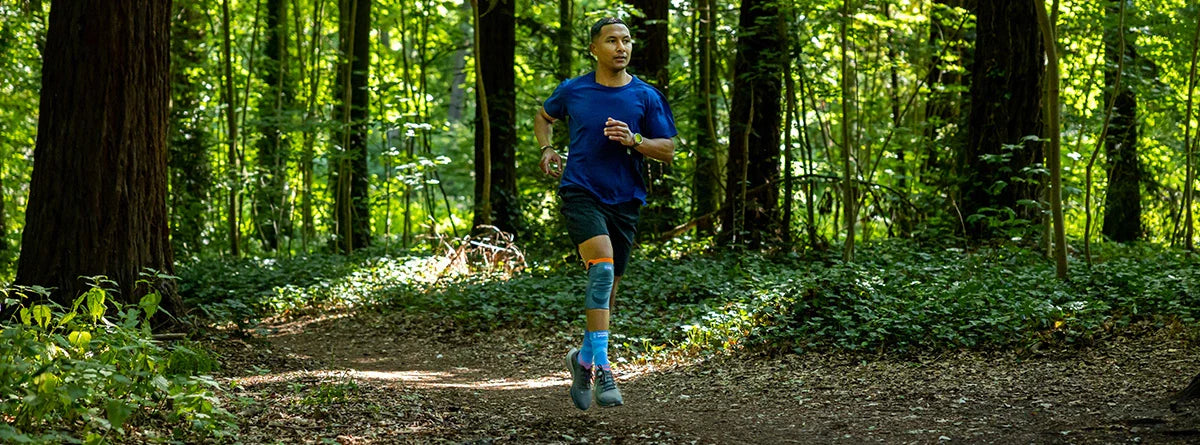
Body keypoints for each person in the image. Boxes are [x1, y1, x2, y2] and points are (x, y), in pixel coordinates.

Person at [533, 16, 677, 410]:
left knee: (608, 293)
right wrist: (547, 148)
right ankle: (603, 367)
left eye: (626, 40)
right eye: (612, 40)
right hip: (581, 191)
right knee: (602, 271)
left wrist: (635, 139)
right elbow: (544, 117)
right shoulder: (574, 90)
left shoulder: (646, 96)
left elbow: (668, 150)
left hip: (625, 200)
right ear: (594, 48)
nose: (621, 47)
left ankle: (582, 359)